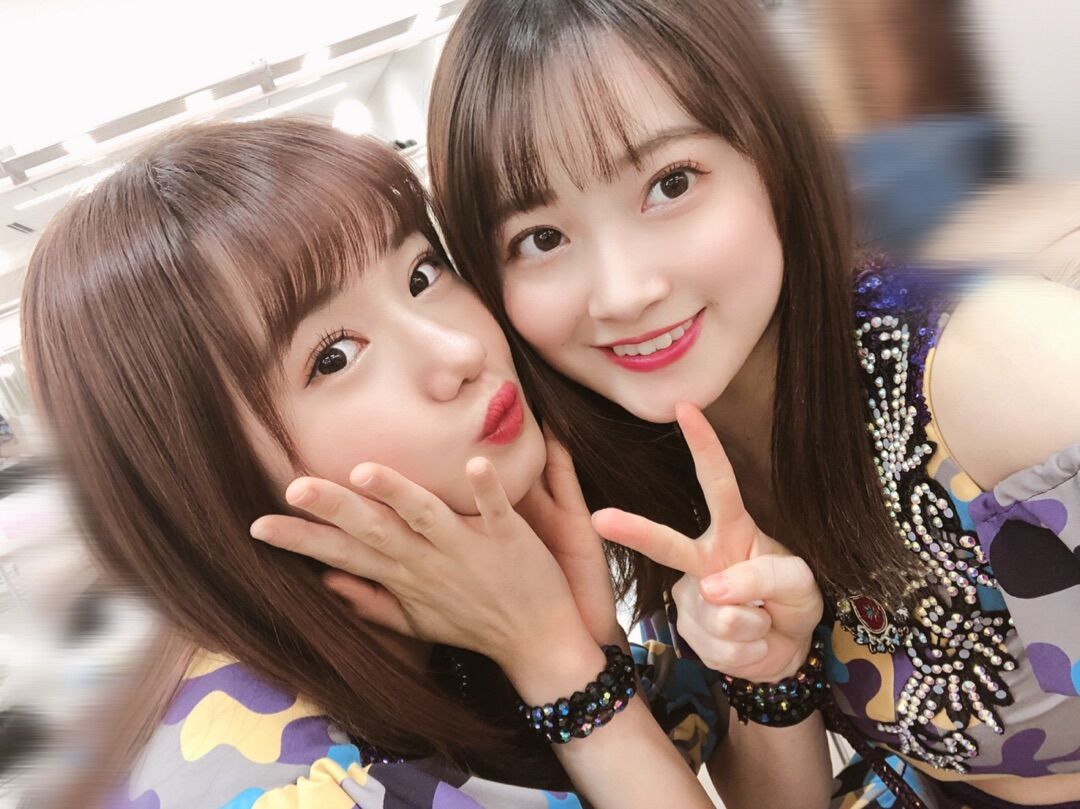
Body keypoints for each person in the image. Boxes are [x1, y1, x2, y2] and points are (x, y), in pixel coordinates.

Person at [417, 1, 1080, 806]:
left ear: (772, 155)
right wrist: (771, 671)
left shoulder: (999, 371)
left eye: (670, 183)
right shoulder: (644, 466)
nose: (623, 292)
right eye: (542, 238)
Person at [19, 119, 718, 809]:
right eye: (334, 357)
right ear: (202, 479)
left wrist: (577, 648)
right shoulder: (285, 791)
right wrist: (555, 659)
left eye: (421, 274)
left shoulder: (447, 622)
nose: (459, 352)